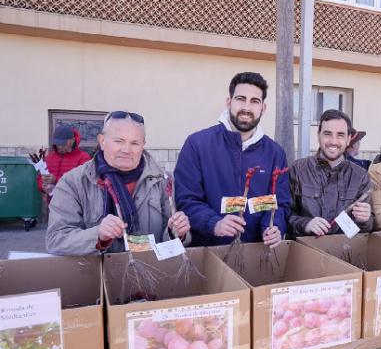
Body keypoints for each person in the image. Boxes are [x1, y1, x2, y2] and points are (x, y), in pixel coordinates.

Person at [46, 112, 190, 255]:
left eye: (134, 143)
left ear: (143, 145)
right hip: (96, 274)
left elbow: (172, 241)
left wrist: (176, 233)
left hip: (148, 271)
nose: (126, 150)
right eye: (119, 141)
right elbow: (56, 239)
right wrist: (98, 235)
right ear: (102, 141)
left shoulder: (163, 180)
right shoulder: (73, 182)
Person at [174, 72, 289, 248]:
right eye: (241, 99)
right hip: (207, 253)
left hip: (256, 255)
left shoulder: (275, 153)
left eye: (254, 101)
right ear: (229, 102)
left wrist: (273, 227)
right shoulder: (198, 145)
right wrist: (214, 223)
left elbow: (279, 203)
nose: (247, 107)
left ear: (263, 108)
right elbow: (187, 200)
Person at [289, 110, 372, 237]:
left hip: (343, 252)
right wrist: (305, 224)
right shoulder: (298, 169)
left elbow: (366, 229)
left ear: (349, 139)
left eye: (340, 135)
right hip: (304, 251)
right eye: (327, 134)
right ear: (318, 135)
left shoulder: (360, 176)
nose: (333, 141)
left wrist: (365, 221)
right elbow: (283, 214)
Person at [38, 126, 91, 197]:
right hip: (52, 203)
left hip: (74, 203)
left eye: (63, 144)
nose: (59, 147)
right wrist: (43, 186)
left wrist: (56, 180)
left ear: (72, 140)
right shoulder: (49, 158)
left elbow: (84, 182)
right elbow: (40, 178)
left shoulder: (83, 157)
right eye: (57, 143)